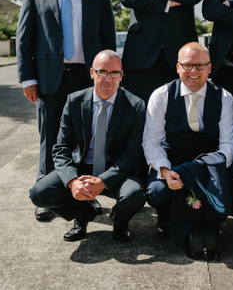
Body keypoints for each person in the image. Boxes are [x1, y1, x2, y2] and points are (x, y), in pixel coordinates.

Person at [17, 0, 116, 221]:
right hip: (50, 79)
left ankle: (86, 193)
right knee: (49, 138)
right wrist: (27, 79)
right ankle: (46, 195)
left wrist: (108, 76)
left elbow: (108, 40)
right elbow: (24, 39)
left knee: (86, 140)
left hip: (88, 80)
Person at [29, 50, 146, 242]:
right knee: (39, 193)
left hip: (116, 169)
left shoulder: (135, 106)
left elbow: (133, 154)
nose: (108, 78)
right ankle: (82, 212)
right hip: (82, 167)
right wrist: (72, 181)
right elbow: (61, 149)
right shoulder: (74, 101)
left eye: (114, 73)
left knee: (134, 195)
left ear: (121, 76)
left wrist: (103, 181)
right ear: (92, 73)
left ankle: (120, 220)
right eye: (102, 72)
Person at [142, 42, 233, 242]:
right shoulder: (161, 96)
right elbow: (151, 141)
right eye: (188, 65)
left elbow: (229, 144)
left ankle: (214, 216)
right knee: (157, 191)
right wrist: (164, 170)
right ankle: (165, 217)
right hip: (174, 161)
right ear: (178, 67)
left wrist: (205, 170)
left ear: (209, 68)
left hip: (210, 161)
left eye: (200, 66)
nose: (193, 71)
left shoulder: (224, 97)